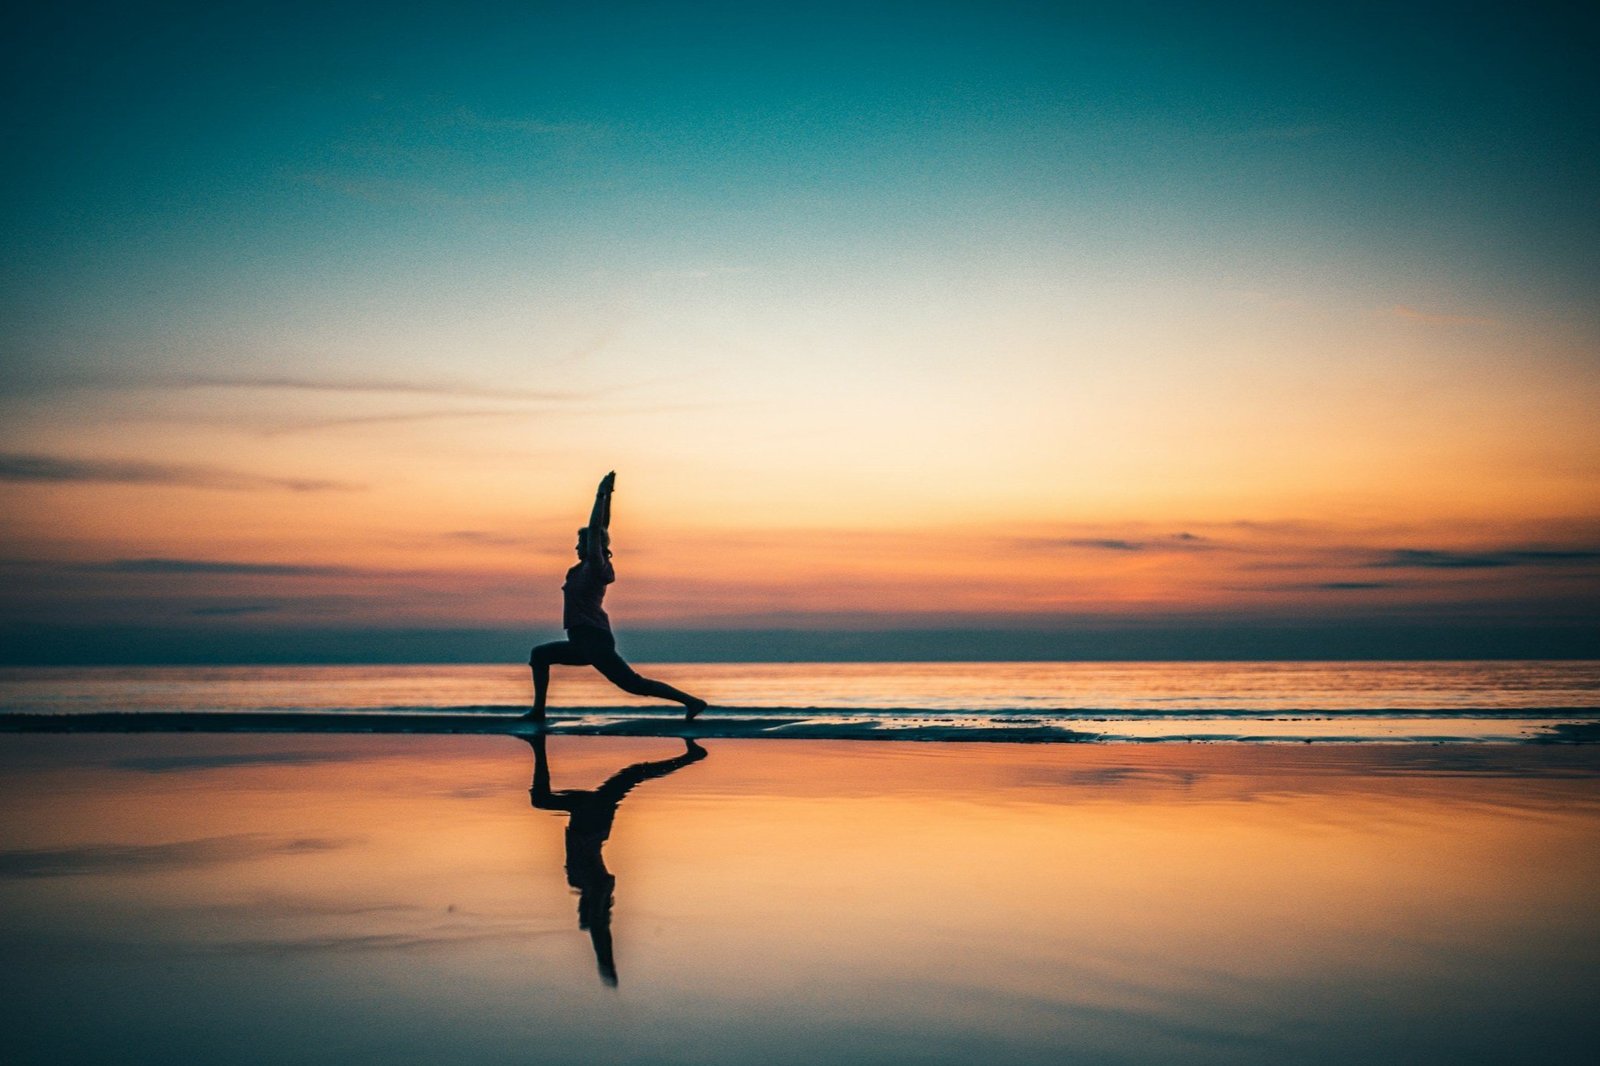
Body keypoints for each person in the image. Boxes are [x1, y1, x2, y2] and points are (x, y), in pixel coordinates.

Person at [525, 733, 707, 986]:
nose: (579, 913)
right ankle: (690, 758)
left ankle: (537, 745)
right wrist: (604, 959)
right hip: (591, 820)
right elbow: (600, 928)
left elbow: (596, 924)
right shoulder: (594, 887)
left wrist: (597, 936)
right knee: (632, 775)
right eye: (584, 913)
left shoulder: (583, 884)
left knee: (629, 776)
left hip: (588, 820)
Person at [526, 472, 707, 721]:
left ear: (592, 547)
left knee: (634, 685)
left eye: (581, 543)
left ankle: (692, 702)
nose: (577, 547)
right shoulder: (581, 570)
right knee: (540, 655)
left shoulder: (594, 567)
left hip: (593, 640)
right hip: (580, 642)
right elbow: (600, 529)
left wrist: (599, 494)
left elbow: (594, 532)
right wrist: (609, 496)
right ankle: (538, 712)